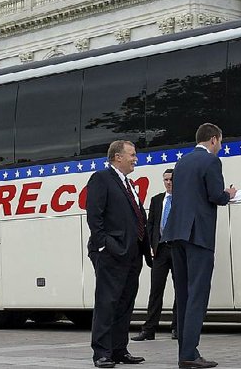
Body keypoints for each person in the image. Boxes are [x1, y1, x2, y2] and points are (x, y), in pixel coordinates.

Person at [161, 123, 237, 369]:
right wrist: (229, 194)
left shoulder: (181, 161)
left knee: (183, 295)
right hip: (198, 236)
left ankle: (185, 351)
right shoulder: (211, 162)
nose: (221, 147)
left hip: (176, 234)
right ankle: (189, 355)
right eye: (221, 142)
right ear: (213, 139)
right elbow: (215, 196)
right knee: (198, 294)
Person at [86, 140, 151, 368]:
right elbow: (95, 216)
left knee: (125, 303)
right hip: (111, 254)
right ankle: (102, 353)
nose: (136, 158)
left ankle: (119, 350)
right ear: (117, 157)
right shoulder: (101, 179)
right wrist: (105, 245)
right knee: (107, 302)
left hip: (133, 254)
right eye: (132, 154)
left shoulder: (129, 183)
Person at [131, 168, 178, 341]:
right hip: (160, 251)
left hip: (178, 250)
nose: (168, 182)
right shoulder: (157, 200)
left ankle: (177, 328)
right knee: (156, 290)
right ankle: (149, 329)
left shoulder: (183, 199)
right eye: (165, 179)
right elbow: (150, 225)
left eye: (171, 179)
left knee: (179, 290)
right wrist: (152, 245)